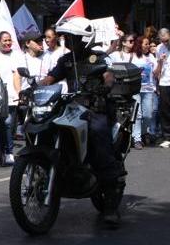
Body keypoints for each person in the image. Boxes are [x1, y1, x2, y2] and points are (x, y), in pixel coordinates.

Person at [38, 17, 126, 226]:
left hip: (95, 107)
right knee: (47, 126)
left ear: (84, 39)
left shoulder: (98, 57)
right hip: (72, 106)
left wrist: (104, 87)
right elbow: (50, 79)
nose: (68, 41)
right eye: (66, 37)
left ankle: (111, 207)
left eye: (72, 37)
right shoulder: (66, 60)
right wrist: (35, 87)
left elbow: (108, 76)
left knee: (99, 141)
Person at [0, 31, 20, 165]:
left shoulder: (16, 55)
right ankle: (0, 155)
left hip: (11, 94)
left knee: (8, 124)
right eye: (5, 40)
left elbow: (16, 75)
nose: (7, 43)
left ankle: (9, 152)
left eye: (9, 40)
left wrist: (18, 93)